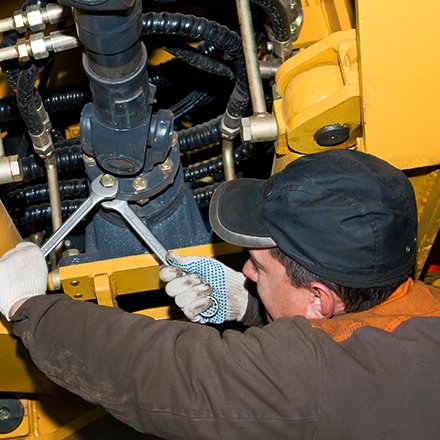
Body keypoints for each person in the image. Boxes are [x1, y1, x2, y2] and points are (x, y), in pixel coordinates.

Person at [1, 149, 440, 440]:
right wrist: (250, 307)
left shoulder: (322, 382)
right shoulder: (423, 311)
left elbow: (164, 374)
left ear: (319, 299)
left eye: (258, 268)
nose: (244, 270)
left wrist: (28, 307)